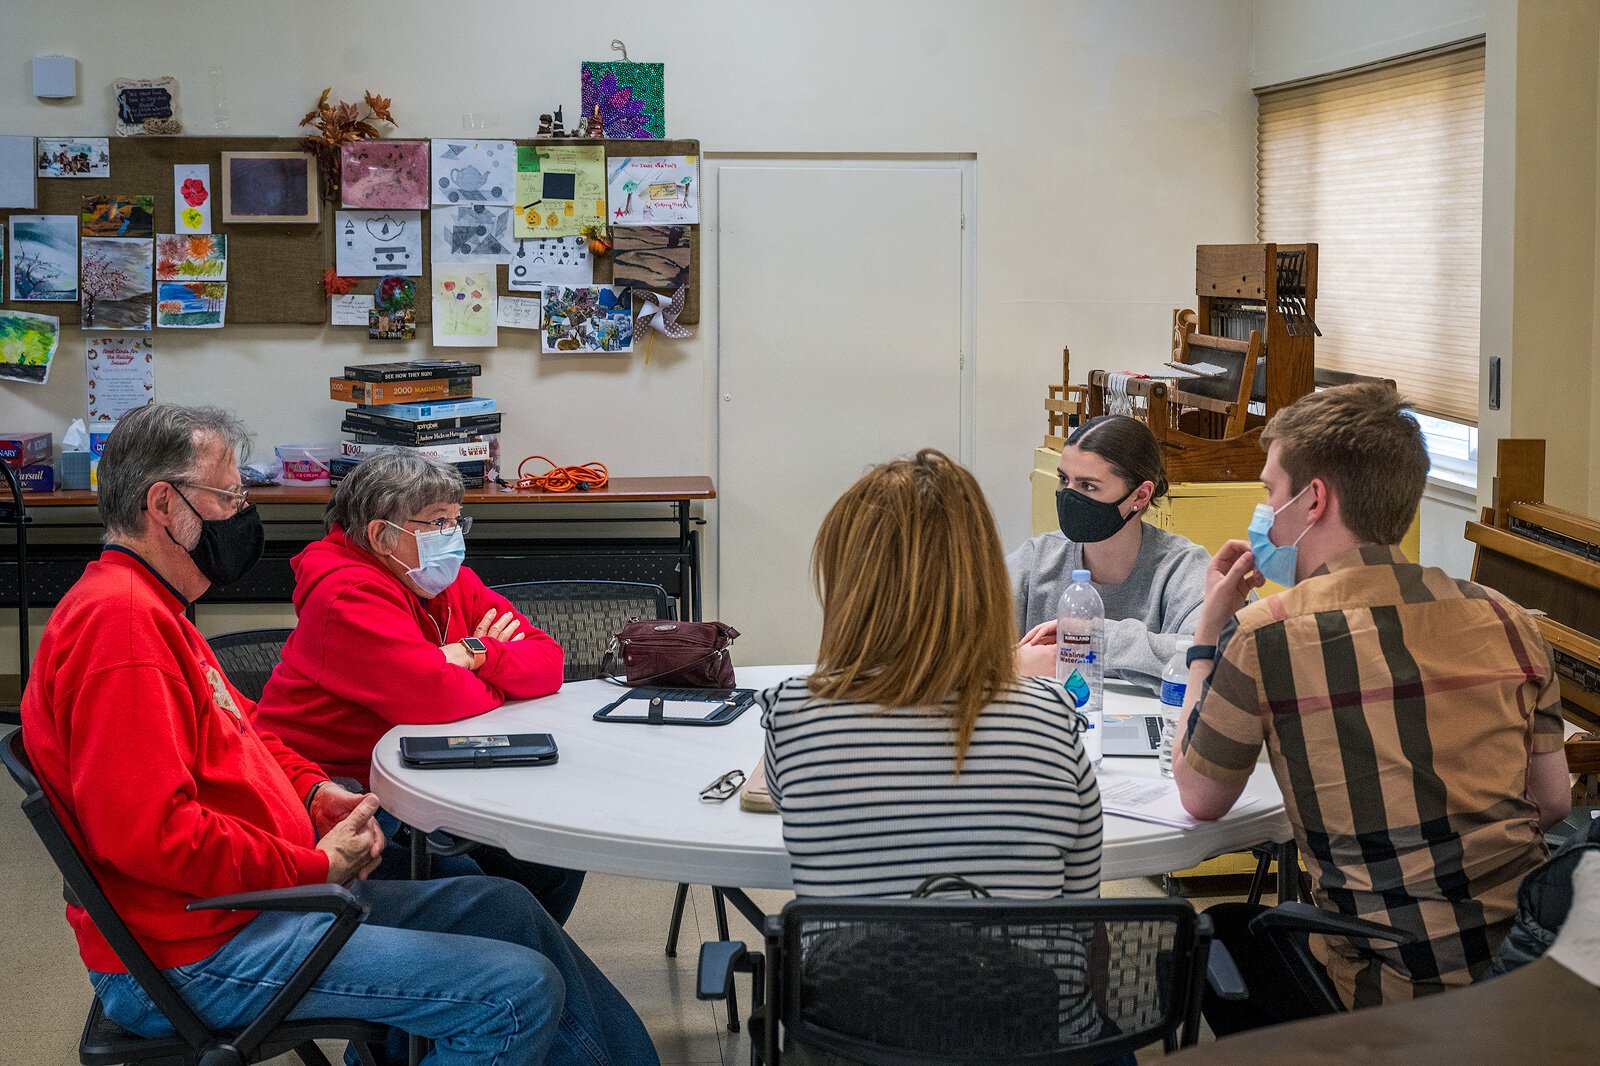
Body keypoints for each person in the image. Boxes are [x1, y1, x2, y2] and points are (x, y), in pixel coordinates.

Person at [21, 404, 657, 1065]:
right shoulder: (122, 633)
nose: (243, 512)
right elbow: (149, 836)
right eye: (230, 495)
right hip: (199, 950)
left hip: (246, 908)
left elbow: (251, 736)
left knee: (507, 907)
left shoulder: (154, 609)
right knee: (514, 992)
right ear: (163, 505)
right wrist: (313, 866)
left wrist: (318, 791)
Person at [1172, 384, 1572, 1031]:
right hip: (1526, 971)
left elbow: (1198, 794)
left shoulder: (1267, 633)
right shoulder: (1508, 620)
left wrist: (1203, 637)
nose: (1265, 514)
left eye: (1272, 493)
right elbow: (1552, 802)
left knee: (1212, 936)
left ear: (1316, 499)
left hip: (1388, 989)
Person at [763, 450, 1122, 1061]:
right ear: (983, 580)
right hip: (1033, 1045)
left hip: (857, 1044)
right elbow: (1084, 928)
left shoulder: (793, 712)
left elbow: (788, 802)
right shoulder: (1052, 717)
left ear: (849, 583)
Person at [255, 448, 585, 923]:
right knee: (481, 894)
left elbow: (550, 664)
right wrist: (480, 681)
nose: (452, 536)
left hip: (434, 773)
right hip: (337, 794)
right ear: (380, 535)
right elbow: (436, 699)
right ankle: (499, 968)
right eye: (437, 522)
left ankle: (518, 968)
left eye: (456, 521)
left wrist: (474, 655)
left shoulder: (445, 581)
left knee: (554, 856)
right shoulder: (343, 593)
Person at [1009, 415, 1209, 692]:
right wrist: (1013, 665)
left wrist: (1093, 638)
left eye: (1088, 486)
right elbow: (957, 648)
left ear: (1140, 497)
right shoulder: (1035, 561)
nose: (1069, 496)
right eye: (1064, 480)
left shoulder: (1182, 566)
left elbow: (1209, 658)